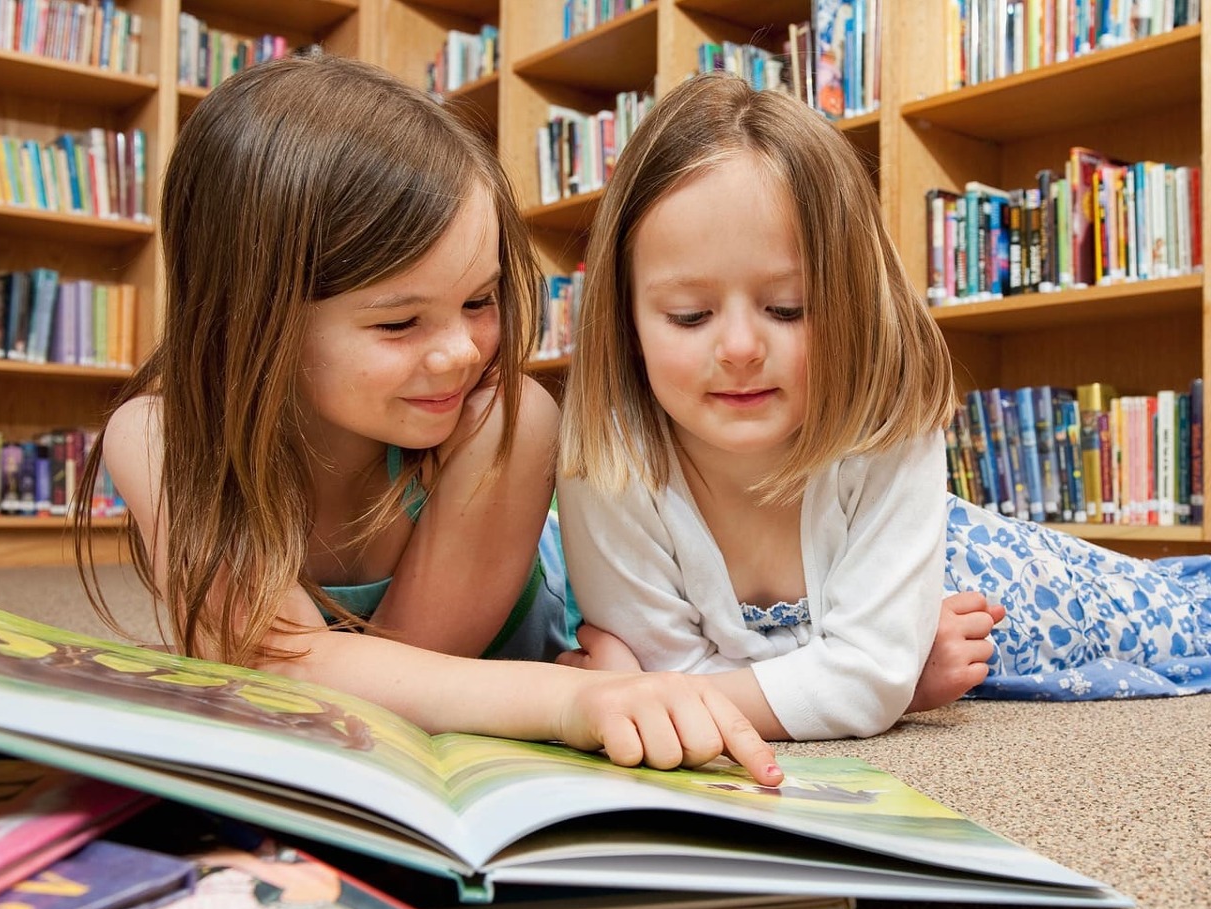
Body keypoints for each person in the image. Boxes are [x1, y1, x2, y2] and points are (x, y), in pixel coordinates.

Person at [72, 54, 782, 785]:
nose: (459, 353)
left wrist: (588, 691)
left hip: (593, 631)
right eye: (401, 321)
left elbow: (396, 685)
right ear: (248, 317)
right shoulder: (160, 438)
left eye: (480, 301)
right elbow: (287, 668)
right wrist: (576, 699)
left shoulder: (505, 423)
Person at [556, 73, 1211, 743]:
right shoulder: (604, 464)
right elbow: (677, 694)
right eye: (689, 316)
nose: (741, 348)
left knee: (1188, 619)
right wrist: (873, 680)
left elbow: (670, 691)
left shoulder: (885, 423)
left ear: (852, 306)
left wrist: (867, 683)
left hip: (988, 573)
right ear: (625, 319)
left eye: (789, 308)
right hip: (914, 634)